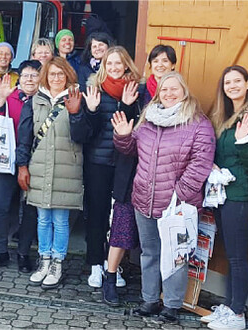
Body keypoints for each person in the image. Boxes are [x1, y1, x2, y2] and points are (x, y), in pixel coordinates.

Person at [111, 72, 214, 324]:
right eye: (164, 90)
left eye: (174, 89)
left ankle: (172, 304)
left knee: (176, 255)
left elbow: (201, 164)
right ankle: (149, 299)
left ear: (184, 91)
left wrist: (180, 195)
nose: (168, 94)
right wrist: (124, 136)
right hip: (144, 199)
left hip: (177, 204)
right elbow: (131, 150)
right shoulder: (148, 118)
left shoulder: (198, 123)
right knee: (149, 252)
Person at [202, 66, 248, 330]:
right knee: (230, 254)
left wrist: (244, 142)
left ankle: (236, 315)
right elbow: (224, 154)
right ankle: (232, 305)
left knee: (237, 257)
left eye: (237, 81)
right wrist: (213, 165)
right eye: (227, 82)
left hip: (243, 197)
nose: (232, 86)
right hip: (225, 196)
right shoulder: (226, 116)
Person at [74, 46, 142, 300]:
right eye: (109, 63)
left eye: (118, 63)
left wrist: (127, 105)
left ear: (126, 64)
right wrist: (90, 110)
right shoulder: (95, 89)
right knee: (97, 213)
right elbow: (85, 132)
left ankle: (112, 264)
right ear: (104, 65)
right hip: (98, 162)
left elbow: (137, 125)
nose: (114, 67)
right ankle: (95, 263)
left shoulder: (136, 89)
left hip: (125, 162)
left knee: (120, 216)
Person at [16, 57, 89, 290]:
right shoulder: (35, 100)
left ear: (68, 75)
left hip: (66, 169)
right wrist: (22, 166)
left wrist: (76, 113)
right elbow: (25, 136)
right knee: (43, 219)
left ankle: (57, 263)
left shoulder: (78, 98)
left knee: (60, 220)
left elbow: (83, 136)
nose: (56, 78)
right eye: (52, 74)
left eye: (61, 74)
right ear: (45, 75)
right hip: (39, 167)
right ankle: (44, 260)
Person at [0, 60, 42, 272]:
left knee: (29, 209)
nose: (29, 79)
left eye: (34, 75)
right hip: (6, 159)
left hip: (35, 162)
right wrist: (1, 99)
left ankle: (24, 254)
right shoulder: (10, 96)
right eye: (25, 75)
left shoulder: (43, 100)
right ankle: (0, 251)